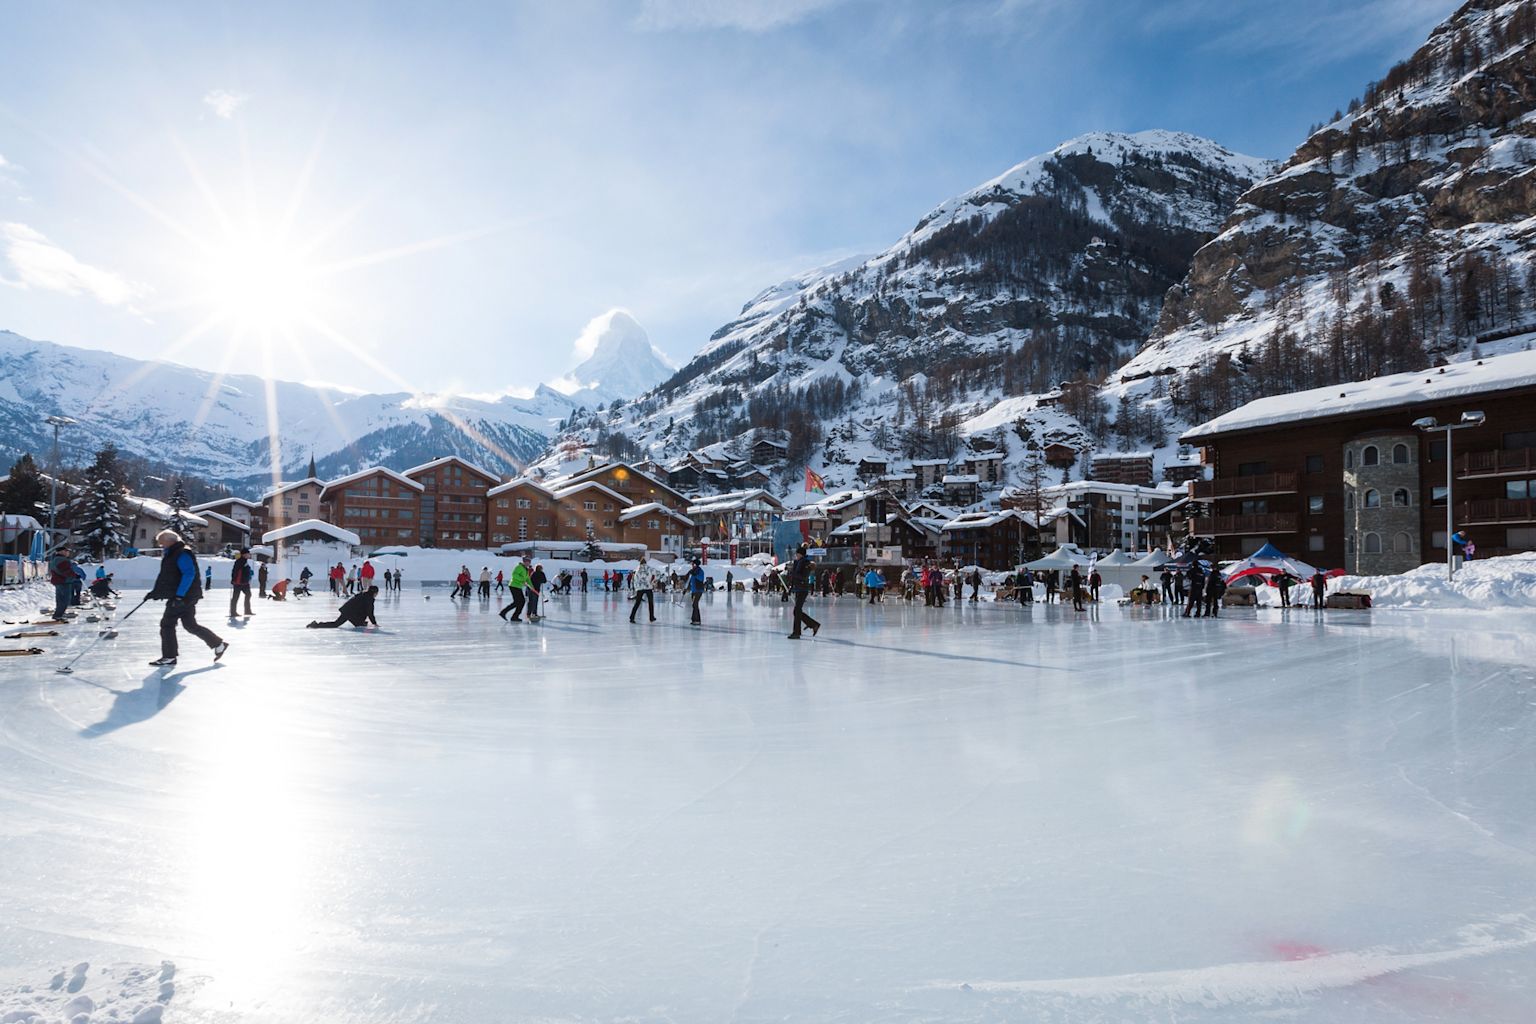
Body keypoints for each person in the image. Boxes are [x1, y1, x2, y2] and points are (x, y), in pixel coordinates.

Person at [146, 529, 228, 667]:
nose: (161, 546)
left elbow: (189, 574)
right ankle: (218, 644)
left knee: (167, 624)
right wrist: (156, 592)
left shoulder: (182, 553)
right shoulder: (172, 553)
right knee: (190, 625)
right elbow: (169, 577)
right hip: (184, 596)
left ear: (170, 541)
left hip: (184, 597)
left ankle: (169, 656)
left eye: (162, 543)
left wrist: (179, 596)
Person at [786, 545, 821, 639]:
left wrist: (792, 573)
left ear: (801, 554)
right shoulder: (798, 562)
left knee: (797, 611)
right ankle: (813, 624)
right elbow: (795, 576)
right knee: (796, 611)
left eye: (797, 554)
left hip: (803, 589)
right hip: (798, 588)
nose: (796, 555)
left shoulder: (805, 563)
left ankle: (797, 632)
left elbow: (803, 577)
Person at [307, 585, 380, 629]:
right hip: (349, 612)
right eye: (377, 593)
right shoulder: (369, 599)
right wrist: (374, 623)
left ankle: (316, 624)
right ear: (374, 592)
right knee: (336, 624)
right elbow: (370, 612)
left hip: (348, 610)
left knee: (359, 623)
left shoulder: (364, 594)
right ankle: (316, 625)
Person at [48, 545, 77, 621]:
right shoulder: (62, 560)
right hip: (64, 581)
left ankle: (58, 614)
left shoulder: (55, 559)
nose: (68, 553)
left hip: (59, 581)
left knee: (60, 599)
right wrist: (74, 575)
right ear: (62, 552)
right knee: (65, 600)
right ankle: (58, 615)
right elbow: (65, 571)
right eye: (67, 551)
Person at [500, 556, 532, 621]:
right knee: (517, 602)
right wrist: (522, 580)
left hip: (518, 586)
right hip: (514, 586)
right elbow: (514, 574)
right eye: (527, 561)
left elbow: (527, 579)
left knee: (522, 601)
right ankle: (503, 612)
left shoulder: (526, 569)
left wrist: (532, 586)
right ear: (524, 561)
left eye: (529, 562)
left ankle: (515, 616)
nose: (528, 563)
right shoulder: (519, 567)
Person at [630, 554, 658, 623]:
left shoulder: (637, 569)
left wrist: (635, 587)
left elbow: (634, 579)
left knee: (637, 603)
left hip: (640, 588)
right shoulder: (649, 568)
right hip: (648, 587)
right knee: (650, 603)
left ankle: (632, 617)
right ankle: (651, 617)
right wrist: (653, 582)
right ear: (645, 562)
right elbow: (657, 574)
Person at [229, 547, 255, 618]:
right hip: (239, 582)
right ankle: (233, 612)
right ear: (244, 554)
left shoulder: (245, 561)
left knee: (248, 595)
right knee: (235, 597)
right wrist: (233, 580)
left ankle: (247, 610)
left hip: (245, 582)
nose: (249, 555)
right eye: (248, 554)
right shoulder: (239, 561)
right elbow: (235, 571)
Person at [685, 557, 706, 625]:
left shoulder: (700, 571)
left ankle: (696, 619)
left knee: (695, 604)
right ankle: (695, 619)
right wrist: (686, 589)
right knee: (694, 605)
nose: (692, 566)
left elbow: (701, 579)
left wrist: (695, 574)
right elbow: (690, 581)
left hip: (698, 590)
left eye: (693, 564)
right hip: (693, 590)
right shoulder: (693, 571)